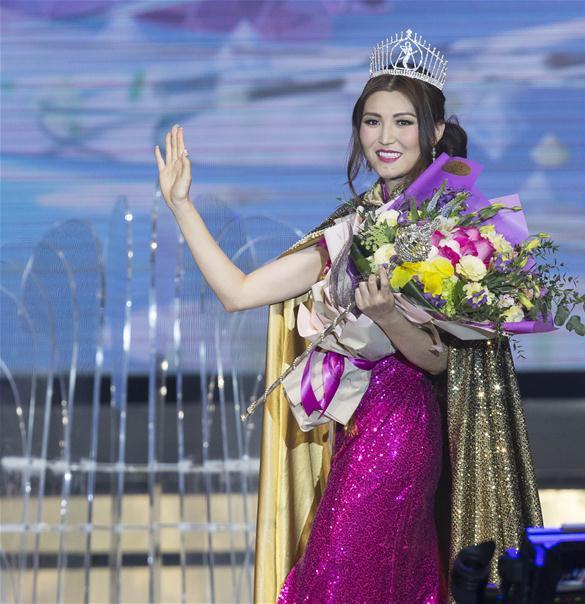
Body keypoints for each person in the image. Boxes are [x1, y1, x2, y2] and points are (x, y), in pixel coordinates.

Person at [155, 29, 541, 604]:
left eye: (404, 122)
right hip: (352, 432)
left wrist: (388, 316)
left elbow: (439, 358)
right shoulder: (352, 225)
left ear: (435, 131)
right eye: (372, 121)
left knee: (337, 584)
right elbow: (239, 292)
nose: (386, 138)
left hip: (402, 432)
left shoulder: (452, 229)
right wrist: (182, 206)